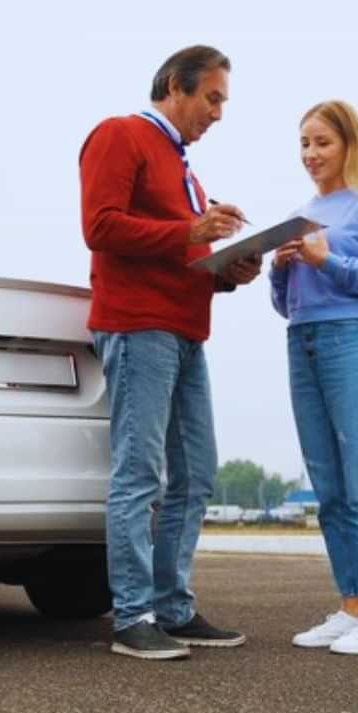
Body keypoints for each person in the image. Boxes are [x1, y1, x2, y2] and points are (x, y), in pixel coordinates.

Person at [78, 45, 259, 661]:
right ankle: (133, 617)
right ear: (176, 87)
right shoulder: (120, 135)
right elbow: (100, 227)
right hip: (137, 328)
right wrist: (192, 230)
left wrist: (230, 268)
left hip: (184, 331)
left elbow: (180, 253)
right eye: (212, 98)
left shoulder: (187, 172)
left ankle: (172, 608)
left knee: (196, 474)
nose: (217, 113)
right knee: (139, 474)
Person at [270, 99, 358, 654]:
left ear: (349, 144)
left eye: (321, 142)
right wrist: (280, 270)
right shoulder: (302, 210)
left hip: (351, 341)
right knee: (328, 488)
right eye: (303, 143)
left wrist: (328, 261)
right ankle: (353, 604)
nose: (310, 154)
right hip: (300, 341)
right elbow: (287, 307)